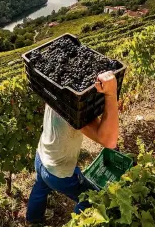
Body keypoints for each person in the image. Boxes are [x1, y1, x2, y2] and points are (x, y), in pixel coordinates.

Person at [26, 71, 119, 224]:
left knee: (40, 186)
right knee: (90, 198)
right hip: (57, 172)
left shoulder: (54, 87)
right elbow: (109, 141)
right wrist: (110, 94)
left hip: (41, 156)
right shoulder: (75, 110)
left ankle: (33, 220)